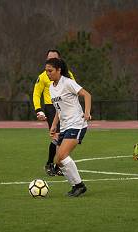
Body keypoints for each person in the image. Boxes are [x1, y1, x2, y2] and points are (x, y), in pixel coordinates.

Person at [47, 58, 91, 197]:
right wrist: (54, 125)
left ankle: (80, 185)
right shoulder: (51, 88)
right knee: (58, 161)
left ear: (59, 70)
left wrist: (87, 112)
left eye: (50, 71)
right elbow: (59, 110)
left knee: (61, 156)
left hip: (77, 124)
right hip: (65, 126)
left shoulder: (67, 83)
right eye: (46, 71)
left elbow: (87, 95)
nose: (48, 73)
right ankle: (75, 186)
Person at [33, 49, 75, 176]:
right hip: (52, 108)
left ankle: (57, 165)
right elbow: (36, 94)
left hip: (66, 108)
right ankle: (51, 164)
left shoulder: (68, 75)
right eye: (49, 59)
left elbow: (75, 90)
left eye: (54, 59)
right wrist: (38, 109)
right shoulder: (43, 76)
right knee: (57, 137)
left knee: (64, 137)